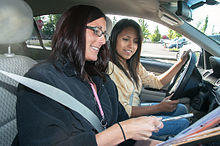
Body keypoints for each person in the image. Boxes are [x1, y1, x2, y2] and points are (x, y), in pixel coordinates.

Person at [12, 5, 164, 146]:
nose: (103, 40)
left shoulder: (102, 80)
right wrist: (121, 131)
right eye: (97, 31)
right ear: (72, 30)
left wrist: (157, 143)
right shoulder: (41, 80)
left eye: (104, 34)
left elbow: (125, 131)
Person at [108, 19, 190, 137]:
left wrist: (181, 63)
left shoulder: (132, 64)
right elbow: (124, 111)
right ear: (114, 38)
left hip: (135, 110)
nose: (131, 46)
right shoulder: (110, 68)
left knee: (180, 109)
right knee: (183, 124)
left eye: (136, 41)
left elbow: (156, 82)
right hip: (124, 122)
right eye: (125, 39)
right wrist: (158, 108)